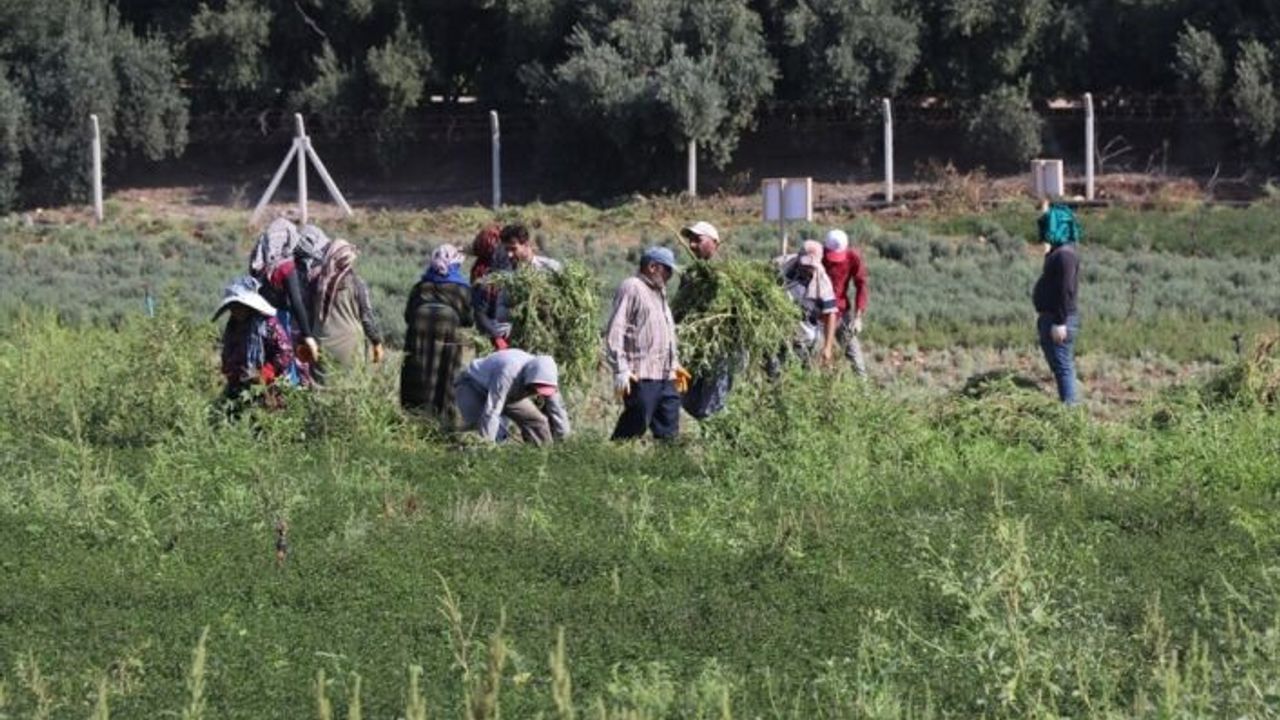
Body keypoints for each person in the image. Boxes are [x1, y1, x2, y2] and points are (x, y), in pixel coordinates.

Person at [605, 246, 689, 440]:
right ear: (653, 267)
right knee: (636, 423)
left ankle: (668, 468)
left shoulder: (660, 293)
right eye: (667, 270)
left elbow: (665, 332)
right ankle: (612, 459)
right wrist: (621, 368)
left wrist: (675, 363)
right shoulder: (632, 287)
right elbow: (616, 329)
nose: (670, 276)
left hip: (666, 375)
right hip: (642, 375)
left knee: (669, 431)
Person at [401, 244, 475, 424]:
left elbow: (408, 315)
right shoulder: (462, 289)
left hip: (419, 327)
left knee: (417, 368)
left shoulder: (420, 285)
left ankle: (415, 416)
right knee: (445, 370)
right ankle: (443, 419)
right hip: (448, 327)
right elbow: (469, 319)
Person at [675, 220, 735, 419]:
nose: (692, 245)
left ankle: (722, 444)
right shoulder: (690, 275)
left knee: (712, 407)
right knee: (689, 401)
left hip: (721, 348)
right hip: (695, 348)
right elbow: (680, 307)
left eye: (698, 240)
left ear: (715, 242)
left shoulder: (728, 273)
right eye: (690, 240)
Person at [214, 276, 301, 410]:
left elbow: (285, 351)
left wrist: (267, 371)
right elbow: (228, 350)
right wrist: (229, 371)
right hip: (240, 384)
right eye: (232, 307)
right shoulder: (233, 326)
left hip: (268, 385)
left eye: (237, 306)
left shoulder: (267, 324)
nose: (235, 310)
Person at [248, 217, 318, 378]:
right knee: (283, 361)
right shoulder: (285, 266)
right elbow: (296, 302)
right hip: (279, 322)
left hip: (257, 320)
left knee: (262, 359)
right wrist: (308, 336)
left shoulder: (259, 260)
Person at [454, 348, 570, 445]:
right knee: (495, 434)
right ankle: (482, 463)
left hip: (508, 392)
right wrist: (487, 446)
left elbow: (558, 410)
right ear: (530, 377)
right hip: (473, 387)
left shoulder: (548, 376)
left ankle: (545, 457)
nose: (538, 393)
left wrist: (563, 442)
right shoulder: (508, 371)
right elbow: (492, 411)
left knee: (538, 422)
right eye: (536, 387)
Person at [474, 223, 562, 350]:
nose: (509, 254)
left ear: (526, 245)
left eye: (513, 249)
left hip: (548, 341)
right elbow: (501, 310)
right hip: (517, 344)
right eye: (506, 250)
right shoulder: (507, 276)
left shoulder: (550, 269)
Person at [309, 238, 384, 379]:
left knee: (322, 390)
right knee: (349, 389)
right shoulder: (356, 283)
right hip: (350, 348)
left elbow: (308, 313)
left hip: (321, 344)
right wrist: (376, 342)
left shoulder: (317, 283)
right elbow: (366, 317)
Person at [1032, 202, 1082, 404]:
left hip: (1058, 318)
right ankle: (1066, 404)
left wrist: (1060, 322)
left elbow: (1066, 290)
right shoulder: (1058, 252)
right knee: (1059, 366)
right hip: (1051, 317)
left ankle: (1070, 412)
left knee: (1063, 366)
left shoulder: (1065, 255)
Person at [776, 240, 839, 368]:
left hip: (805, 329)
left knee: (798, 367)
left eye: (811, 266)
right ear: (799, 256)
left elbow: (831, 315)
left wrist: (827, 348)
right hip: (779, 324)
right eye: (805, 264)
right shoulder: (783, 263)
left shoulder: (822, 282)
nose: (807, 268)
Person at [821, 229, 869, 377]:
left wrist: (858, 317)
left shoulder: (853, 258)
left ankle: (865, 395)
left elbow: (861, 285)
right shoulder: (817, 256)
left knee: (856, 360)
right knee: (819, 359)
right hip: (819, 316)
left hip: (841, 313)